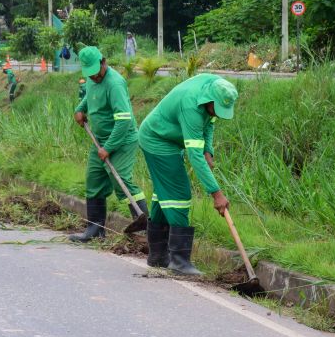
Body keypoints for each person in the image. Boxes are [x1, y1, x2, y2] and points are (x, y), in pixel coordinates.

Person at [138, 73, 238, 275]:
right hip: (157, 139)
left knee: (164, 194)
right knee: (178, 193)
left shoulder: (214, 88)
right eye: (216, 109)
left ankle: (157, 255)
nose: (218, 114)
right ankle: (180, 261)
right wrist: (216, 193)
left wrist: (208, 150)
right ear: (209, 100)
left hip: (170, 139)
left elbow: (208, 123)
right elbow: (194, 155)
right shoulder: (191, 106)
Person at [70, 46, 148, 242]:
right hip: (100, 140)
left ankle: (148, 227)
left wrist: (109, 148)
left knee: (121, 179)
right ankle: (95, 230)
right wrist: (80, 109)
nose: (94, 78)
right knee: (94, 180)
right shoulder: (91, 78)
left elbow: (124, 121)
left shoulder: (115, 84)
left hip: (121, 140)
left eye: (96, 74)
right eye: (90, 75)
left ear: (103, 63)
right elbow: (90, 95)